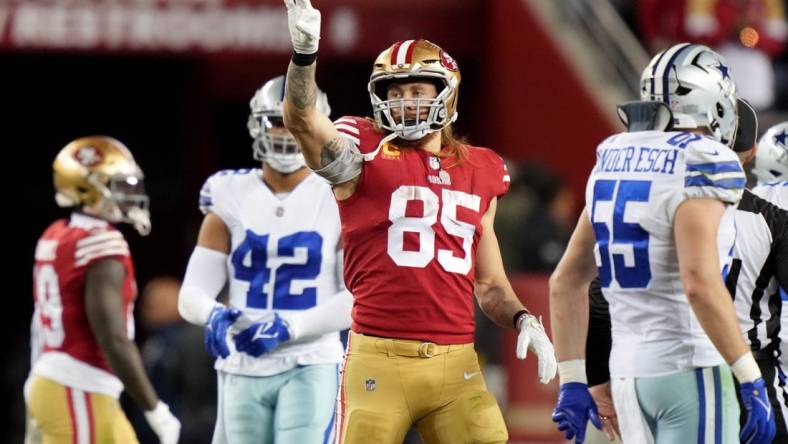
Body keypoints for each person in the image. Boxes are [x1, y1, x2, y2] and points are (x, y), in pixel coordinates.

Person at [281, 1, 557, 442]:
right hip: (378, 362)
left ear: (446, 93)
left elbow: (489, 285)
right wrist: (304, 55)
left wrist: (525, 319)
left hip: (457, 365)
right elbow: (300, 119)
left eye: (417, 91)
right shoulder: (362, 151)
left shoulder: (482, 168)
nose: (404, 102)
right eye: (394, 92)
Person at [549, 43, 776, 444]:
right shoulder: (706, 159)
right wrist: (750, 377)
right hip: (691, 366)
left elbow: (566, 280)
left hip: (627, 376)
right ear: (714, 102)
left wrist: (572, 379)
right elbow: (699, 283)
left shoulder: (611, 156)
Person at [177, 75, 352, 444]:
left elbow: (357, 299)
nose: (288, 132)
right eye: (277, 121)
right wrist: (213, 314)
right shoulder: (228, 192)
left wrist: (291, 326)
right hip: (242, 361)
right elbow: (192, 291)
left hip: (311, 360)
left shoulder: (338, 196)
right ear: (256, 123)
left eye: (297, 122)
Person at [25, 136, 180, 444]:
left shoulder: (55, 235)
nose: (130, 192)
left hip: (63, 383)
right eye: (119, 183)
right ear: (88, 189)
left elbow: (38, 325)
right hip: (76, 386)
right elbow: (113, 338)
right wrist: (155, 408)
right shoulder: (102, 242)